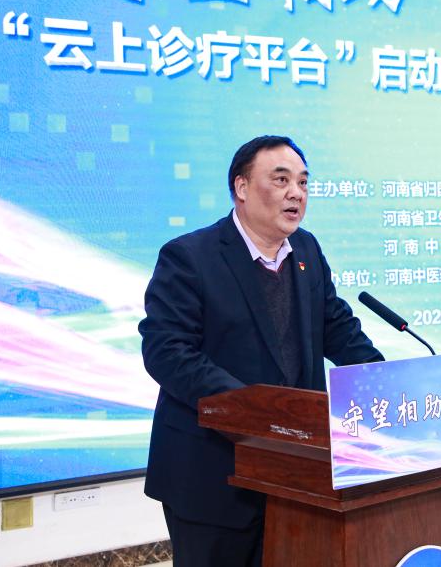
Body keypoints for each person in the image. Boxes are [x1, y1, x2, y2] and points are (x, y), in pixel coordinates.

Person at [139, 135, 384, 567]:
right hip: (212, 476)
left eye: (303, 182)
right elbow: (167, 351)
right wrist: (256, 409)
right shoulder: (190, 257)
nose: (296, 193)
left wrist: (383, 379)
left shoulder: (306, 249)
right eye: (281, 180)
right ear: (242, 187)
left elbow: (337, 328)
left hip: (297, 473)